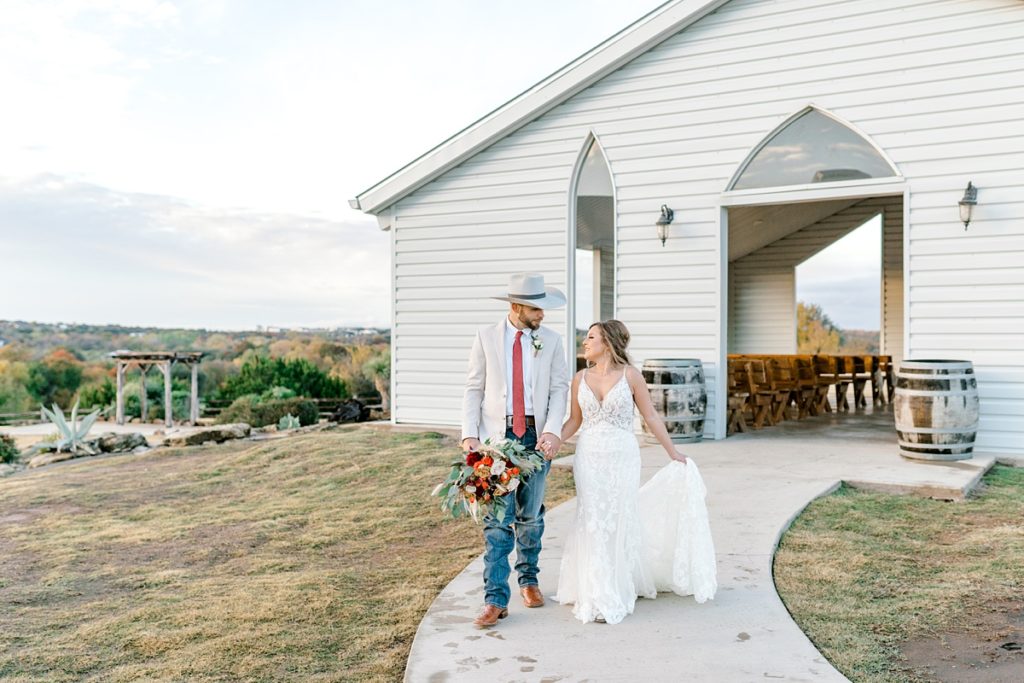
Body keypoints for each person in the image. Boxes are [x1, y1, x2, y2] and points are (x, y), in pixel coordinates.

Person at [553, 320, 717, 624]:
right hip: (588, 456)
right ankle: (594, 586)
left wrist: (673, 452)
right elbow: (574, 421)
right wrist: (552, 442)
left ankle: (615, 585)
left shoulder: (631, 376)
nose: (584, 343)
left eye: (590, 338)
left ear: (608, 342)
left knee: (618, 516)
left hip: (622, 458)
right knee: (592, 517)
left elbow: (650, 415)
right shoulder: (579, 378)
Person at [461, 272, 570, 629]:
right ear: (515, 307)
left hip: (536, 438)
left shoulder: (552, 341)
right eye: (536, 309)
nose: (542, 315)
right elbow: (474, 389)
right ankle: (495, 600)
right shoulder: (486, 337)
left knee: (530, 515)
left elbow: (558, 390)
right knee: (496, 520)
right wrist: (469, 436)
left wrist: (553, 431)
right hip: (496, 440)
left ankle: (529, 579)